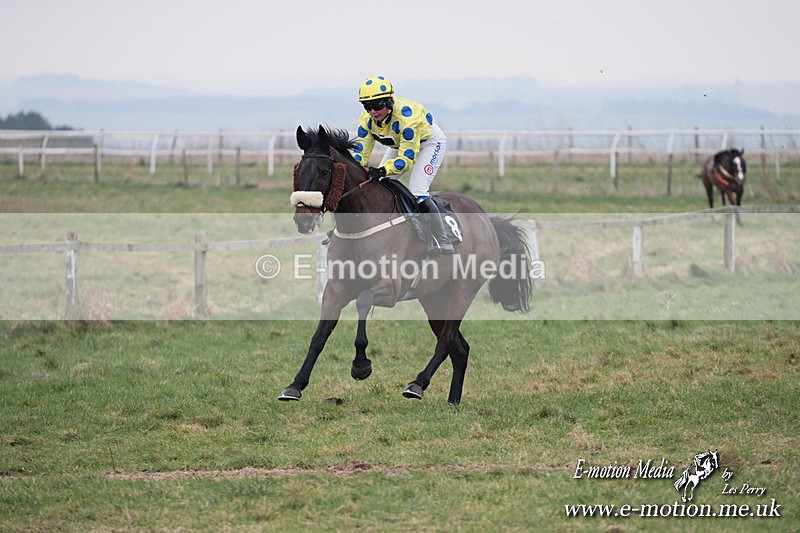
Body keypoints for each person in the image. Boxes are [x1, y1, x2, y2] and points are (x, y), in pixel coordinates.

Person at [352, 75, 453, 255]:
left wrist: (381, 170)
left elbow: (406, 160)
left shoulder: (407, 120)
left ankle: (442, 240)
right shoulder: (366, 120)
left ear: (389, 101)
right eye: (367, 106)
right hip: (400, 144)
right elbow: (361, 153)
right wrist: (356, 171)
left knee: (417, 191)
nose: (373, 111)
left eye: (377, 105)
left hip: (429, 144)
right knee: (377, 184)